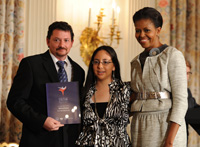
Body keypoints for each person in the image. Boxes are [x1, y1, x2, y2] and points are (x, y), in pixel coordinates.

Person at [6, 21, 85, 147]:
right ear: (48, 41)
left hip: (69, 142)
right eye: (57, 40)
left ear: (72, 43)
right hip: (38, 140)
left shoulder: (79, 71)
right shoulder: (31, 64)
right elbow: (14, 101)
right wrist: (41, 121)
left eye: (66, 40)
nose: (62, 45)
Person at [130, 7, 188, 147]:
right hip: (140, 126)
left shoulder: (172, 55)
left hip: (166, 126)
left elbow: (181, 101)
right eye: (138, 30)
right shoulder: (135, 62)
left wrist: (169, 141)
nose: (141, 35)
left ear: (158, 30)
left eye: (147, 30)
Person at [76, 46, 131, 146]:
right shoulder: (84, 92)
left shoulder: (125, 90)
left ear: (114, 66)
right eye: (96, 62)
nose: (100, 66)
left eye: (105, 62)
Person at [185, 60, 200, 140]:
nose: (186, 76)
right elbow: (184, 113)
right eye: (183, 73)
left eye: (188, 73)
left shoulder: (187, 91)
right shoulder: (168, 91)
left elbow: (194, 108)